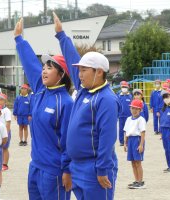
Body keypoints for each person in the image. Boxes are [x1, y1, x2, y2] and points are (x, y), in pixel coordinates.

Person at [54, 12, 118, 200]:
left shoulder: (106, 99)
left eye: (83, 70)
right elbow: (72, 54)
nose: (79, 74)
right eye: (79, 70)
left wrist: (102, 169)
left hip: (94, 168)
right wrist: (61, 35)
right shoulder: (84, 90)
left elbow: (107, 137)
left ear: (99, 72)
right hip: (77, 166)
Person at [14, 18, 73, 200]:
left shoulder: (66, 103)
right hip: (36, 166)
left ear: (61, 74)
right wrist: (19, 39)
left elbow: (69, 142)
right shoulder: (40, 90)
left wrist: (67, 170)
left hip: (54, 171)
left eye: (50, 67)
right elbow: (31, 64)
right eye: (44, 67)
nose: (44, 70)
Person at [124, 99, 146, 189]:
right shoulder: (128, 119)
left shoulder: (141, 120)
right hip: (130, 140)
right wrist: (125, 143)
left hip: (137, 140)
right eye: (132, 108)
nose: (134, 110)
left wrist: (141, 145)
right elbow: (125, 132)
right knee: (132, 162)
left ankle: (140, 181)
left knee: (138, 162)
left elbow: (143, 133)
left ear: (140, 110)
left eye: (136, 109)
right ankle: (136, 180)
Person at [0, 93, 12, 171]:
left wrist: (6, 134)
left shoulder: (6, 111)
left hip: (5, 133)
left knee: (5, 148)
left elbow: (8, 123)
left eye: (1, 100)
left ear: (5, 101)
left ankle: (5, 164)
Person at [117, 81, 132, 146]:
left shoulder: (130, 96)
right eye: (123, 87)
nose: (124, 88)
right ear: (121, 88)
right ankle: (121, 141)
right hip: (121, 115)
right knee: (121, 129)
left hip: (128, 116)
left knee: (128, 129)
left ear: (128, 88)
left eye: (125, 87)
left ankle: (128, 141)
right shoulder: (118, 96)